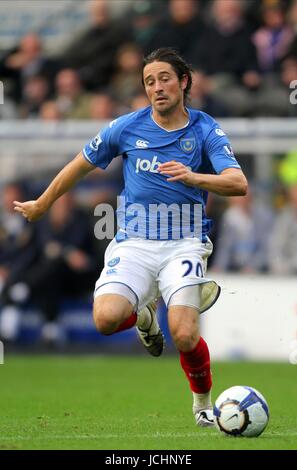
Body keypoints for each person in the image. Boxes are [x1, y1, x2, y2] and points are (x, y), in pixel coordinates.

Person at [14, 48, 247, 427]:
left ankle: (203, 405)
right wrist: (42, 203)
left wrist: (193, 177)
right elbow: (78, 165)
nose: (157, 87)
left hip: (184, 242)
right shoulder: (126, 127)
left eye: (165, 78)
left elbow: (238, 183)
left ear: (184, 82)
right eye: (149, 81)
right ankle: (143, 314)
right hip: (134, 243)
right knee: (106, 319)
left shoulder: (205, 129)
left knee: (185, 335)